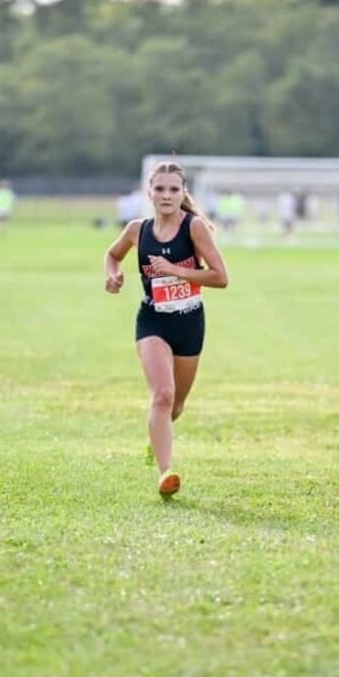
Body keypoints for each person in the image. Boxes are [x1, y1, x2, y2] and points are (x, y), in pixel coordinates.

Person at [102, 161, 230, 498]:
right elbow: (112, 255)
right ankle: (165, 473)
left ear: (182, 193)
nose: (166, 195)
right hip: (153, 320)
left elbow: (221, 277)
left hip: (189, 322)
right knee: (162, 395)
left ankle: (155, 440)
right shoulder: (136, 230)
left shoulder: (194, 228)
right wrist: (112, 275)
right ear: (150, 192)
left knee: (175, 407)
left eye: (174, 189)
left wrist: (176, 270)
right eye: (160, 189)